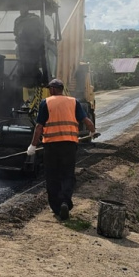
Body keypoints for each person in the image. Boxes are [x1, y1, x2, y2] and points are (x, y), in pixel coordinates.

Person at [26, 78, 95, 221]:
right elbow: (87, 121)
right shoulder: (73, 101)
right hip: (69, 145)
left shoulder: (47, 102)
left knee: (52, 176)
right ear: (62, 89)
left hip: (51, 146)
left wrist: (33, 146)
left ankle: (57, 208)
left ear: (52, 89)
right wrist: (92, 132)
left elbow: (39, 127)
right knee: (67, 174)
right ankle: (65, 202)